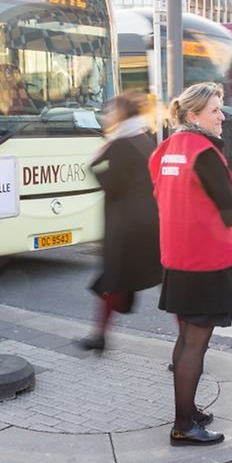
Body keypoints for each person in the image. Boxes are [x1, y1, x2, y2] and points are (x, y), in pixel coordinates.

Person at [149, 82, 232, 446]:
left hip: (177, 257)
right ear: (194, 116)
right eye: (215, 112)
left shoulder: (165, 149)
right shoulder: (205, 153)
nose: (222, 117)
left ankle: (188, 410)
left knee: (185, 339)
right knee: (196, 344)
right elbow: (229, 212)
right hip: (207, 259)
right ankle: (183, 425)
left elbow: (167, 195)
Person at [79, 91, 162, 352]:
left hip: (126, 226)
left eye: (112, 110)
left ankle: (99, 335)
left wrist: (94, 164)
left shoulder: (119, 144)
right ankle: (99, 336)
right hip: (149, 221)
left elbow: (112, 186)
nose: (108, 114)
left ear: (122, 113)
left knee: (115, 280)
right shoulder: (144, 138)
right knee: (158, 279)